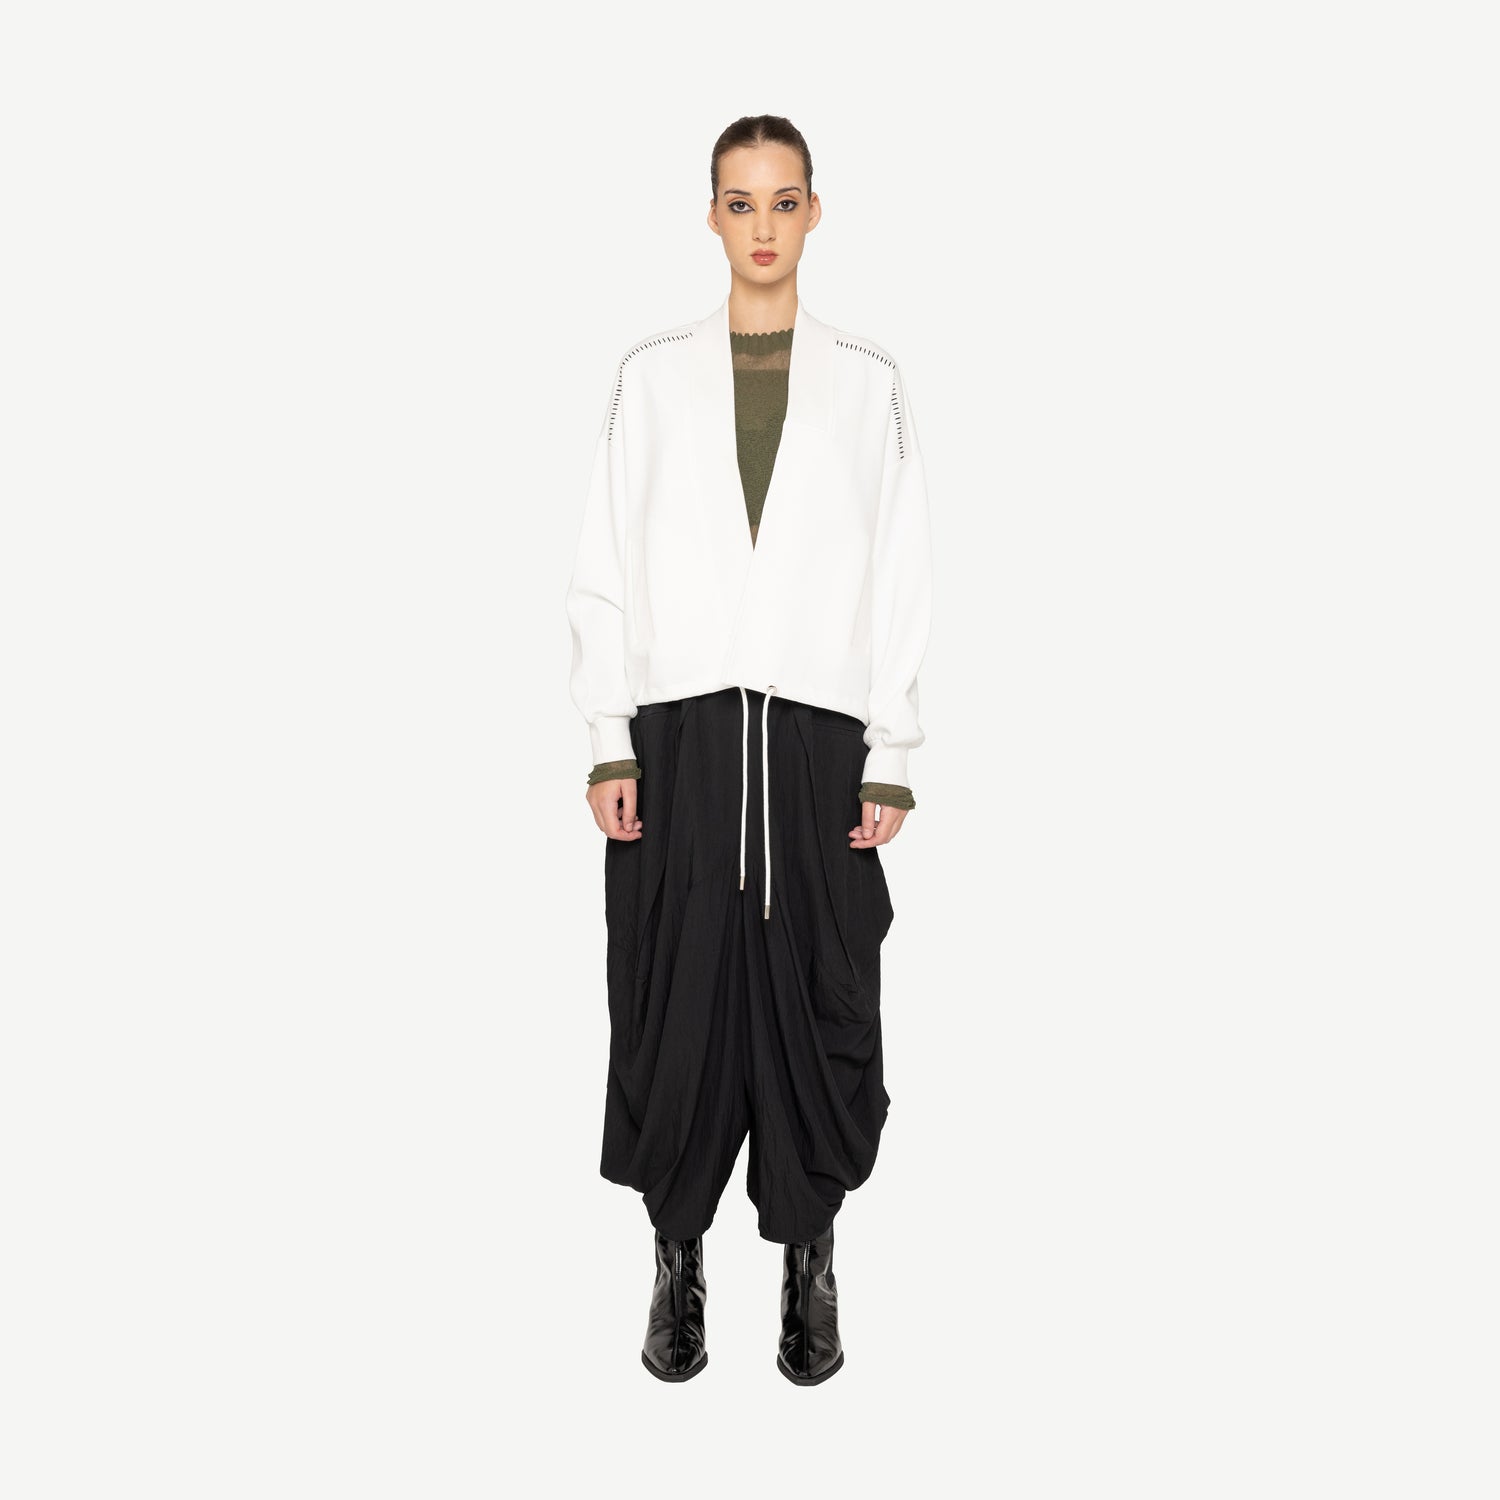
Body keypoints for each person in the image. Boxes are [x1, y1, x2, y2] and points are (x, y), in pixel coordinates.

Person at [565, 114, 933, 1386]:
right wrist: (611, 738)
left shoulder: (870, 382)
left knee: (823, 992)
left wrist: (890, 747)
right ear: (712, 216)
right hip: (680, 738)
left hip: (818, 738)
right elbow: (605, 557)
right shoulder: (651, 375)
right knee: (671, 998)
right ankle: (676, 1258)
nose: (763, 227)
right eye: (740, 202)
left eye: (784, 202)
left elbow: (900, 569)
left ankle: (810, 1257)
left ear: (814, 212)